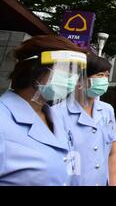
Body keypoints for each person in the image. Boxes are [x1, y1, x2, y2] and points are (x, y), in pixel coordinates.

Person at [0, 35, 87, 185]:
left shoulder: (55, 118)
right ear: (34, 69)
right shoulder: (3, 120)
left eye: (76, 72)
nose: (73, 80)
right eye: (66, 69)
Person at [53, 54, 116, 186]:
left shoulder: (107, 110)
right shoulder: (56, 114)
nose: (105, 80)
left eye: (107, 76)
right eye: (100, 75)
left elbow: (113, 152)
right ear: (79, 79)